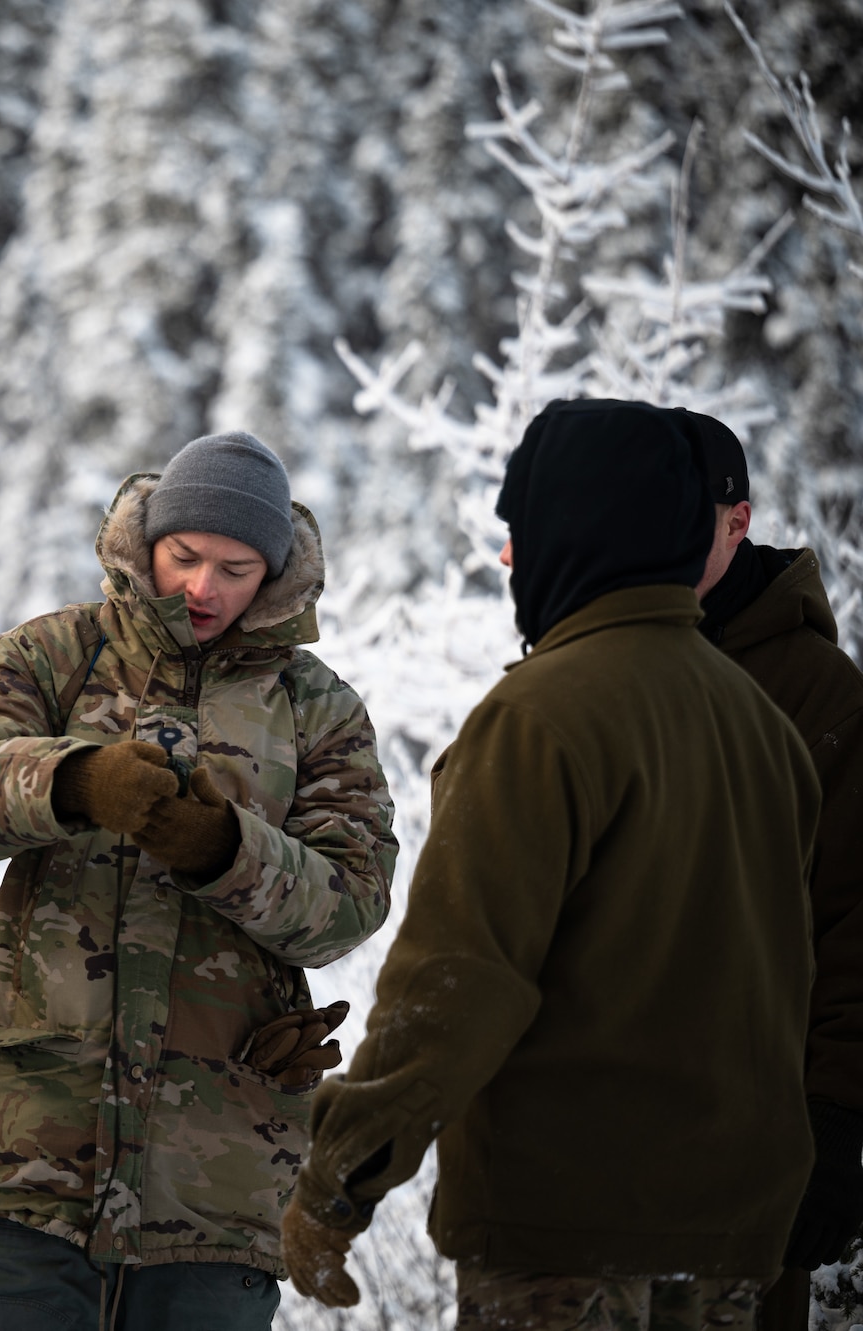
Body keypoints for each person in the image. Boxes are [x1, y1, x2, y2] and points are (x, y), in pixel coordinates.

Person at [284, 399, 821, 1331]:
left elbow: (457, 984)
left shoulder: (540, 717)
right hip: (738, 1245)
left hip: (566, 1246)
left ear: (578, 530)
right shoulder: (763, 726)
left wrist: (338, 1179)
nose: (507, 558)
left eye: (519, 531)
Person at [0, 431, 397, 1330]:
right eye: (186, 556)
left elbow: (351, 900)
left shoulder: (316, 707)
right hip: (22, 1163)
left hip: (217, 1185)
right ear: (148, 543)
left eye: (236, 568)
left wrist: (222, 849)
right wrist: (74, 781)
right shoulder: (56, 654)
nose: (205, 588)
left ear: (275, 574)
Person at [685, 419, 863, 1323]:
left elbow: (853, 922)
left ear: (736, 521)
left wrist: (836, 1118)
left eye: (688, 514)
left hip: (755, 1150)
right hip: (587, 1160)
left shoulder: (819, 692)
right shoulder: (599, 660)